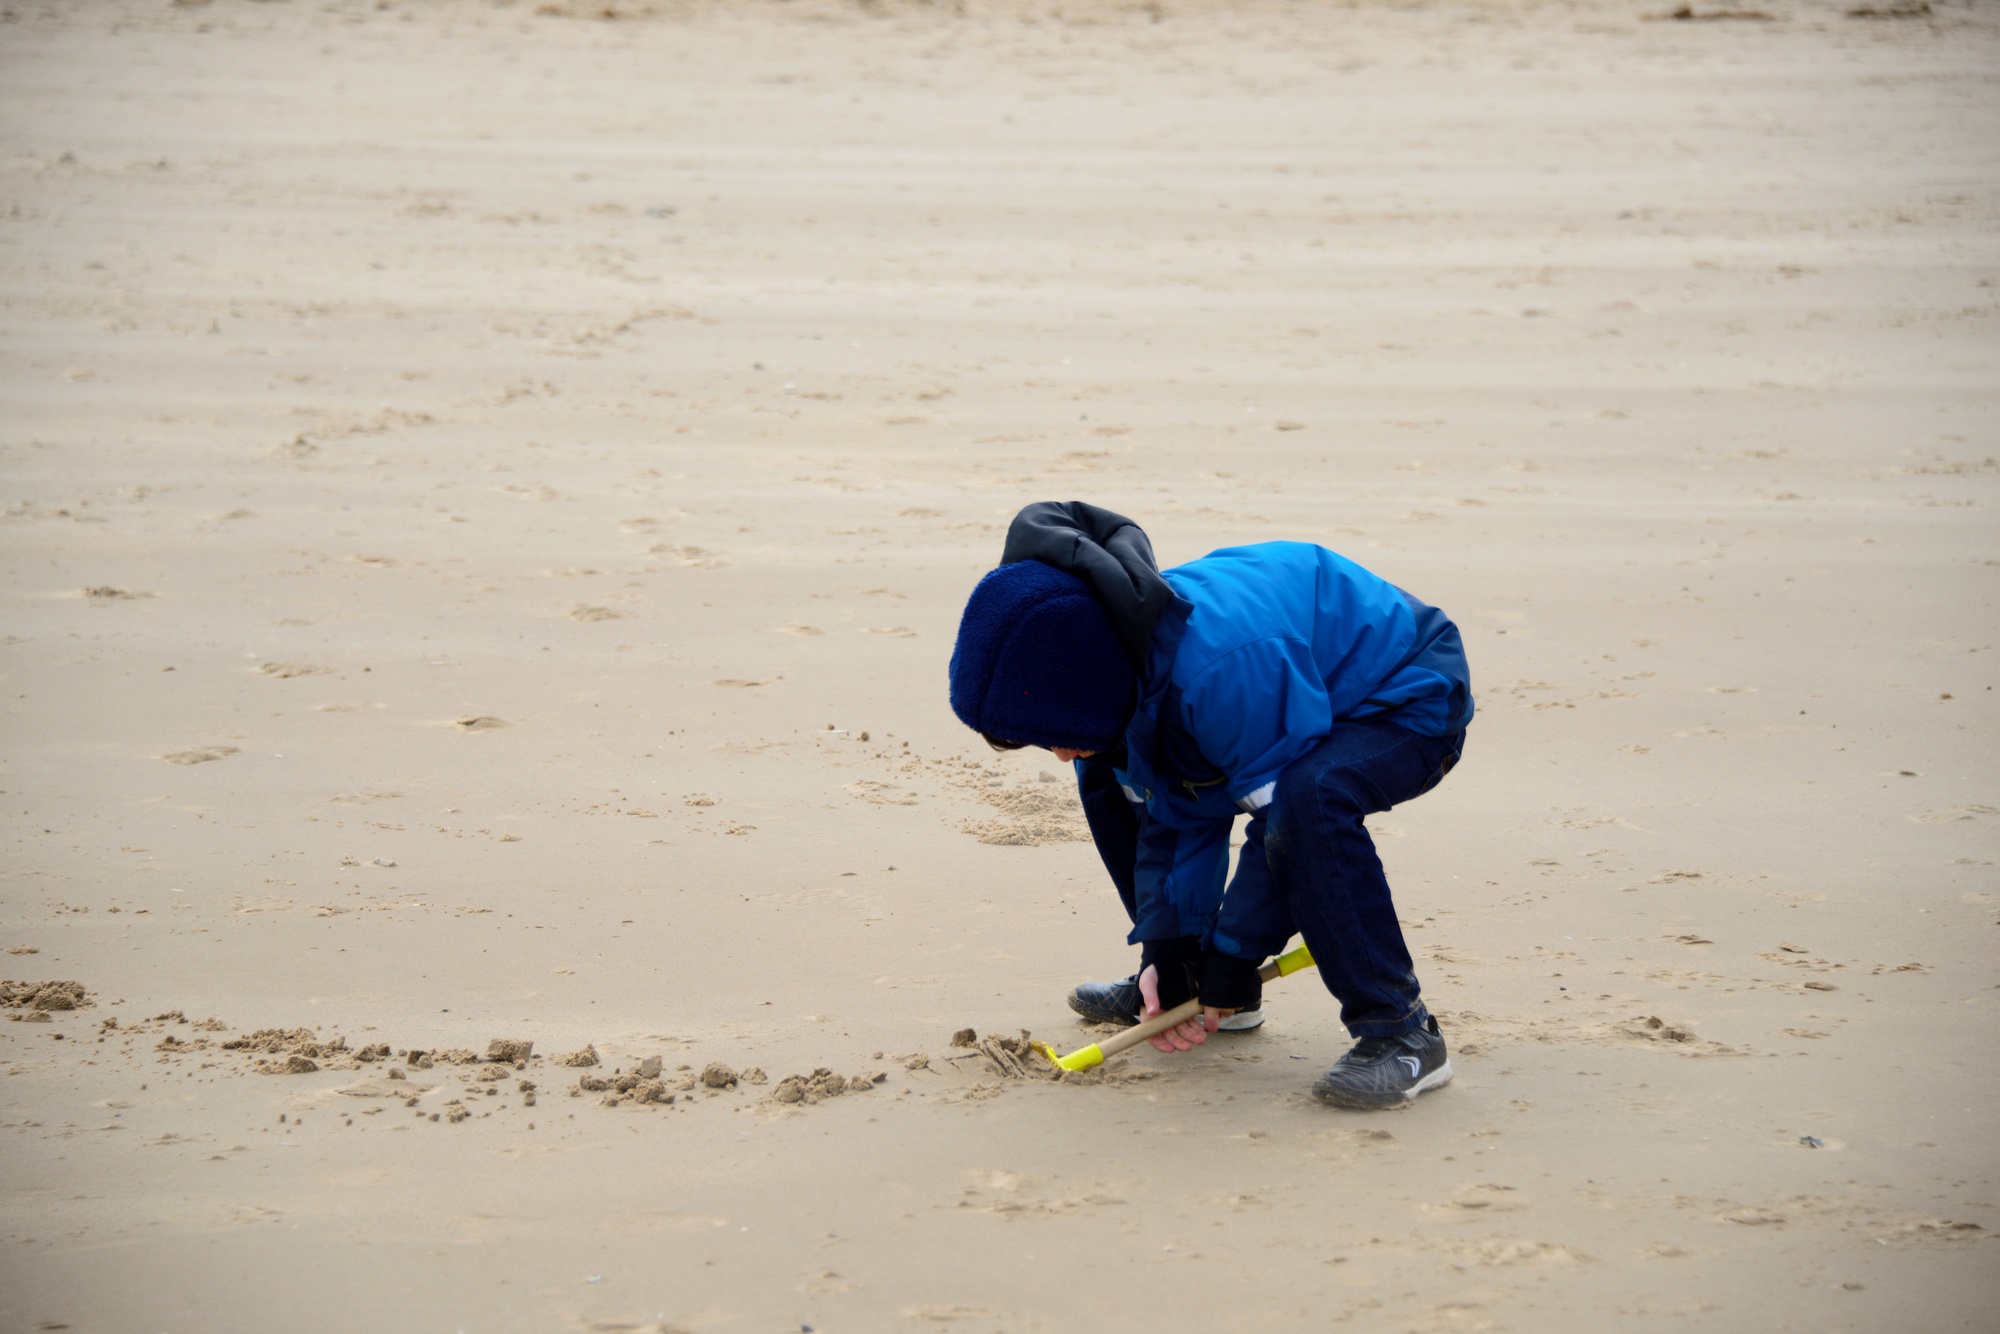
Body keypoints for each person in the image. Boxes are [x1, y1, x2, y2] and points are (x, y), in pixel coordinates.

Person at [946, 501, 1473, 1109]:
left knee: (1311, 799)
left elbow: (1279, 827)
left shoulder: (1218, 674)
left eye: (1056, 735)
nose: (1059, 755)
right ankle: (1193, 985)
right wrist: (1170, 952)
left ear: (1094, 685)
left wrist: (1235, 954)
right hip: (1271, 702)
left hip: (1405, 695)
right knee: (1103, 769)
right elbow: (1176, 812)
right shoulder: (1120, 667)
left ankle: (1402, 1031)